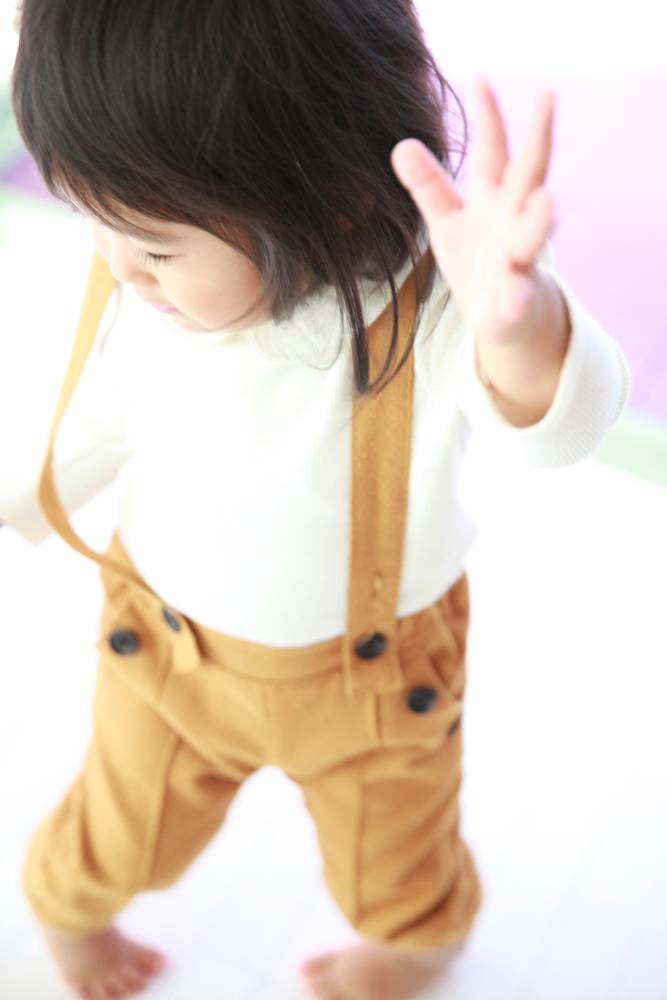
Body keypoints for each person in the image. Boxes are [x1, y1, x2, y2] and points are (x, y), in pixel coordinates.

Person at [3, 2, 630, 999]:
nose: (118, 265)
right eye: (92, 219)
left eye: (154, 246)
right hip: (165, 657)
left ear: (328, 203)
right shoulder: (149, 288)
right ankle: (68, 914)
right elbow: (102, 417)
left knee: (400, 859)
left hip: (371, 682)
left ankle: (411, 948)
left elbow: (560, 427)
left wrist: (521, 329)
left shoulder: (433, 306)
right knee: (118, 830)